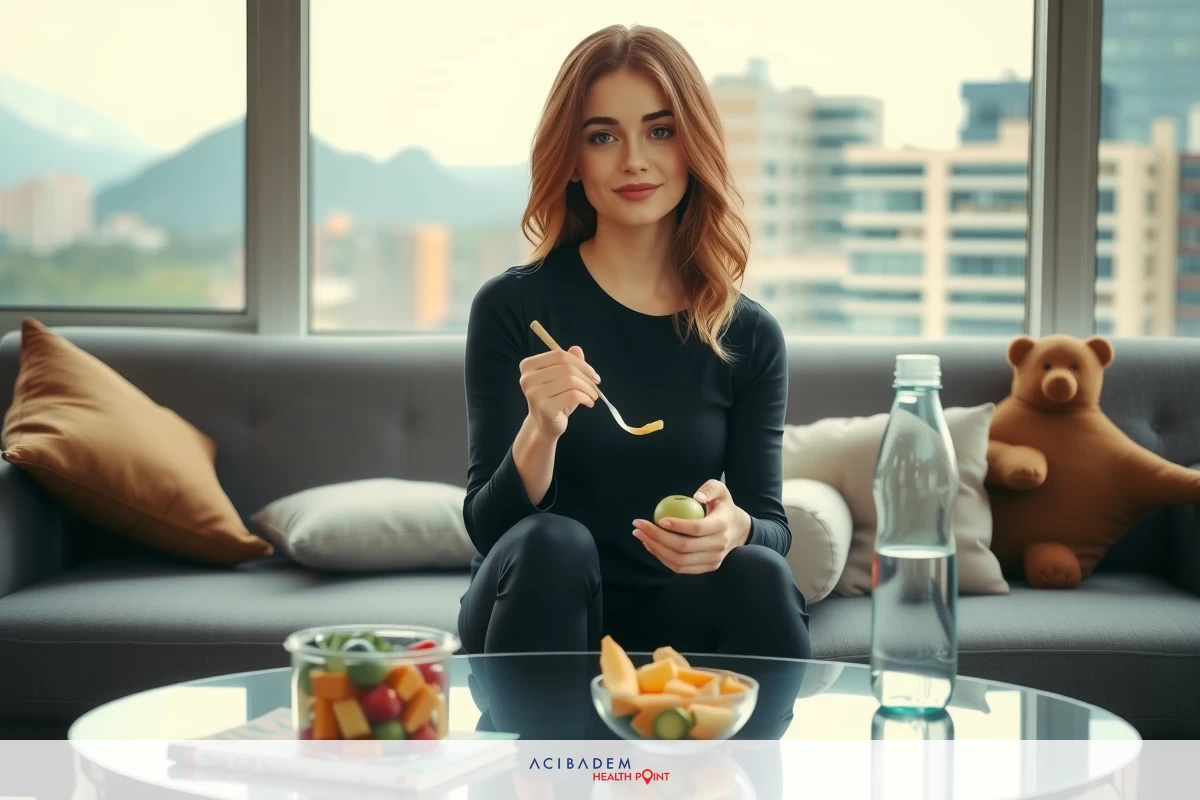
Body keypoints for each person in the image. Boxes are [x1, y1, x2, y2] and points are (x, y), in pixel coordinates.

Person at [458, 23, 811, 662]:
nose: (633, 160)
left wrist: (735, 530)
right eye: (602, 136)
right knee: (553, 543)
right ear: (571, 157)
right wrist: (541, 428)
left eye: (660, 130)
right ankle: (542, 766)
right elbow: (489, 530)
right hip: (534, 607)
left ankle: (739, 764)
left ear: (692, 144)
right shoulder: (512, 308)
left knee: (762, 572)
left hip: (679, 616)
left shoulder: (749, 334)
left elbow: (773, 527)